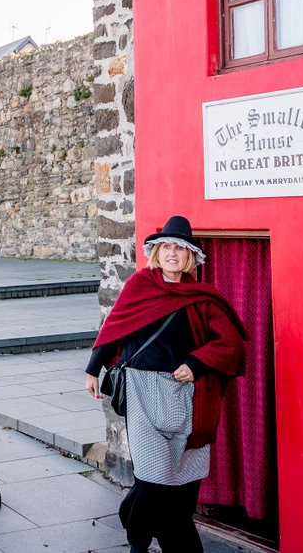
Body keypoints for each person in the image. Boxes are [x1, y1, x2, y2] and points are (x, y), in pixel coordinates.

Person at [84, 215, 248, 553]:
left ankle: (147, 525)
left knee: (182, 479)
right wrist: (93, 368)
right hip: (143, 392)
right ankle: (139, 541)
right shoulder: (140, 286)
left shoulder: (202, 297)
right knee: (154, 476)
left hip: (189, 396)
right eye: (166, 247)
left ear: (190, 257)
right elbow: (114, 325)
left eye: (180, 249)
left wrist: (197, 362)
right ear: (156, 253)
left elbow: (230, 342)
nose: (172, 254)